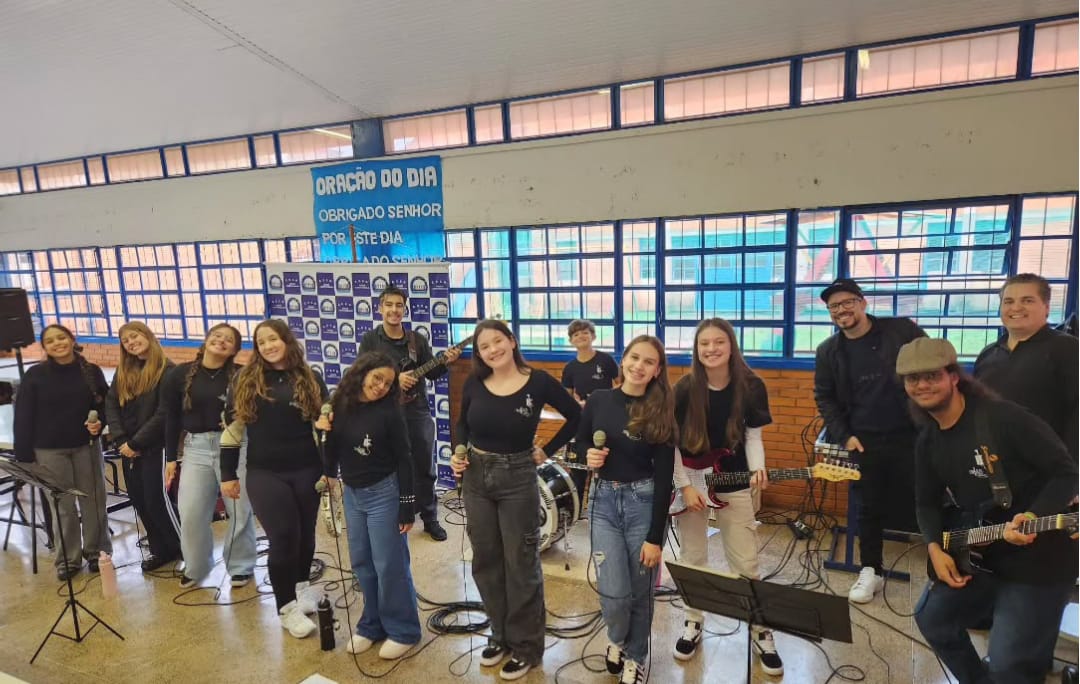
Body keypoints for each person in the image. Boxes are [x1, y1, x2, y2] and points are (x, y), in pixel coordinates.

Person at [898, 337, 1078, 683]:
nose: (922, 385)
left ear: (954, 376)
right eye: (912, 378)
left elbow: (1067, 473)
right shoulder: (928, 440)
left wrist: (1032, 516)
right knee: (933, 619)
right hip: (983, 555)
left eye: (932, 375)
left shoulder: (1005, 418)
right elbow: (926, 502)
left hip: (1040, 562)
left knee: (1008, 665)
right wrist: (934, 548)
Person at [450, 319, 581, 681]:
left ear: (511, 340)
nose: (492, 350)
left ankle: (525, 647)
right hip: (476, 477)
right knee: (486, 560)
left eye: (497, 341)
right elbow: (462, 425)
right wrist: (459, 453)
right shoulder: (475, 382)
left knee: (521, 563)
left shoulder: (538, 381)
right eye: (484, 346)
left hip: (517, 477)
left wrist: (547, 450)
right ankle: (499, 635)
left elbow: (576, 416)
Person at [668, 318, 783, 675]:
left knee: (745, 560)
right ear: (696, 349)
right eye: (704, 343)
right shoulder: (684, 387)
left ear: (731, 345)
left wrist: (758, 469)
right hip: (691, 482)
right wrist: (684, 485)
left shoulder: (751, 385)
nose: (711, 349)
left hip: (734, 481)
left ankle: (760, 629)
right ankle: (693, 620)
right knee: (692, 556)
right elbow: (671, 443)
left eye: (719, 342)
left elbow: (753, 437)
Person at [813, 278, 925, 603]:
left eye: (847, 302)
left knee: (929, 501)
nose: (841, 310)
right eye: (834, 306)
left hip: (913, 435)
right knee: (868, 508)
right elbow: (825, 397)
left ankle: (942, 568)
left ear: (862, 303)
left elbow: (934, 367)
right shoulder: (828, 351)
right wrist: (845, 436)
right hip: (864, 442)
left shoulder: (901, 331)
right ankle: (871, 570)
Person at [220, 319, 328, 639]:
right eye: (261, 342)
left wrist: (330, 469)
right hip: (265, 472)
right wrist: (227, 474)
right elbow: (233, 430)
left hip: (307, 468)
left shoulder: (310, 378)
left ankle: (301, 588)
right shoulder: (245, 379)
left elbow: (324, 428)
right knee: (283, 537)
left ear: (286, 340)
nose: (267, 346)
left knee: (305, 534)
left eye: (273, 339)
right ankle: (286, 608)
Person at [577, 335, 675, 684]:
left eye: (649, 362)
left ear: (657, 370)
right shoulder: (599, 400)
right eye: (634, 357)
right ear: (623, 359)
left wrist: (655, 537)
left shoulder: (661, 409)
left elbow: (665, 477)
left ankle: (635, 655)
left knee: (640, 590)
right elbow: (581, 441)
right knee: (615, 592)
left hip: (643, 504)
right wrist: (588, 455)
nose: (639, 366)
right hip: (603, 502)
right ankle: (616, 639)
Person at [316, 352, 421, 660]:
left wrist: (406, 505)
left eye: (388, 383)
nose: (381, 386)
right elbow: (330, 450)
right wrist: (321, 433)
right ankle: (371, 625)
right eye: (378, 378)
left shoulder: (390, 412)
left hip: (384, 493)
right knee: (362, 563)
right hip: (353, 493)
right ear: (362, 372)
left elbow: (405, 459)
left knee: (389, 564)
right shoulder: (340, 403)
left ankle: (403, 630)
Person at [359, 285, 461, 542]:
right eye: (389, 305)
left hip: (416, 411)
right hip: (383, 413)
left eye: (399, 305)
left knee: (424, 467)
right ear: (380, 308)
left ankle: (430, 518)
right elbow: (361, 375)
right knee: (388, 466)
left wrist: (445, 362)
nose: (394, 310)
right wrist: (395, 380)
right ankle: (392, 515)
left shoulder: (417, 340)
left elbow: (432, 373)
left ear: (405, 309)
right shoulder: (370, 340)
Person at [160, 324, 256, 589]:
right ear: (206, 340)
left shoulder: (241, 375)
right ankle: (197, 566)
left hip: (236, 446)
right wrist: (171, 458)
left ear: (235, 349)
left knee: (239, 510)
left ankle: (240, 565)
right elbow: (171, 417)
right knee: (191, 511)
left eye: (229, 340)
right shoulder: (179, 375)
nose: (221, 341)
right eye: (217, 336)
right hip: (196, 448)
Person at [13, 324, 111, 580]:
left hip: (86, 446)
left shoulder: (91, 371)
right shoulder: (35, 375)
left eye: (61, 337)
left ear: (71, 339)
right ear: (45, 347)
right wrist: (24, 458)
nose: (57, 343)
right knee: (63, 506)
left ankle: (98, 553)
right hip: (49, 451)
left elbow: (105, 405)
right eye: (50, 341)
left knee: (94, 501)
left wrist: (99, 423)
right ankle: (68, 560)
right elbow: (23, 415)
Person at [974, 273, 1078, 460]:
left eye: (1027, 300)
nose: (1016, 307)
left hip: (1049, 465)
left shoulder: (1067, 349)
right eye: (1008, 301)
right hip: (994, 463)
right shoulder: (988, 354)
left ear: (1046, 307)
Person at [105, 321, 180, 572]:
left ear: (147, 335)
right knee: (139, 499)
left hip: (155, 446)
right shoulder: (124, 370)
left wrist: (137, 442)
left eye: (134, 336)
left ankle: (183, 547)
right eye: (125, 341)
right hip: (128, 447)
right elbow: (111, 404)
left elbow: (164, 413)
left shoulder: (167, 370)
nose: (131, 343)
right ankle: (161, 549)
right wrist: (121, 440)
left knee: (157, 500)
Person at [561, 319, 619, 406]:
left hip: (606, 408)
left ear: (593, 336)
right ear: (571, 341)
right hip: (583, 411)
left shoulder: (606, 359)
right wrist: (576, 404)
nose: (580, 336)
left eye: (585, 333)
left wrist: (611, 398)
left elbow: (621, 383)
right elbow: (566, 397)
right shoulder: (569, 368)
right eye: (576, 335)